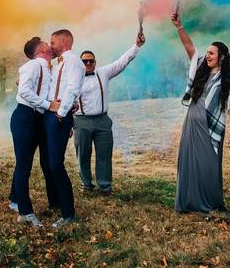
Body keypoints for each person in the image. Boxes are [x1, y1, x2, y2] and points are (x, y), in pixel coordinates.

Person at [170, 11, 230, 213]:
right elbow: (189, 48)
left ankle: (209, 203)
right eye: (207, 52)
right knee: (189, 162)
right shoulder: (200, 67)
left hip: (212, 125)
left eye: (211, 53)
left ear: (222, 57)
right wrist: (179, 26)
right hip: (193, 121)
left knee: (209, 164)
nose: (207, 56)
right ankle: (189, 202)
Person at [74, 31, 145, 194]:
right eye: (85, 61)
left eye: (91, 61)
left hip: (102, 121)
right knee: (82, 155)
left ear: (95, 62)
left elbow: (123, 62)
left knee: (104, 155)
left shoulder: (103, 72)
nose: (88, 63)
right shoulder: (74, 77)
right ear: (80, 63)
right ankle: (86, 184)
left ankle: (105, 186)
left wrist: (137, 46)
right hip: (81, 121)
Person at [9, 37, 58, 227]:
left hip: (39, 119)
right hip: (25, 118)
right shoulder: (33, 65)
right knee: (24, 166)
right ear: (42, 49)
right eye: (47, 43)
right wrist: (49, 105)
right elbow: (24, 92)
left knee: (43, 161)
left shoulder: (47, 68)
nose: (50, 45)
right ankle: (25, 212)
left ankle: (15, 198)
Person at [44, 29, 86, 228]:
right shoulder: (58, 63)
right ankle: (56, 202)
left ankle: (68, 213)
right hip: (50, 114)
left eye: (53, 42)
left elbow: (72, 88)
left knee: (55, 164)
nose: (51, 45)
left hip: (59, 116)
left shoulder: (74, 61)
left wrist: (61, 113)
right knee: (48, 162)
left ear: (63, 41)